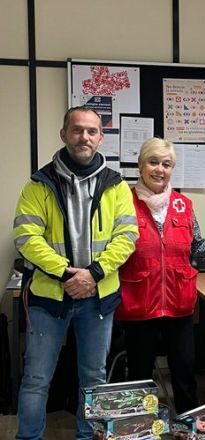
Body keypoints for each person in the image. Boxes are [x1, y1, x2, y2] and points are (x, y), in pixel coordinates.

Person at [13, 106, 138, 439]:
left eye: (92, 131)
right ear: (64, 134)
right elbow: (26, 237)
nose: (84, 137)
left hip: (97, 298)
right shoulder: (38, 184)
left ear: (100, 137)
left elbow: (127, 237)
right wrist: (67, 274)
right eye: (77, 130)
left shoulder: (116, 185)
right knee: (36, 379)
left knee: (94, 378)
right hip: (48, 298)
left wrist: (93, 274)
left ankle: (88, 436)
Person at [116, 137, 205, 414]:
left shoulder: (183, 205)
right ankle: (140, 427)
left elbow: (198, 248)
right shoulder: (122, 202)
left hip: (179, 304)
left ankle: (186, 426)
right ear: (141, 165)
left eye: (166, 165)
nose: (159, 170)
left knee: (185, 372)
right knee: (140, 376)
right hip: (139, 303)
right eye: (153, 162)